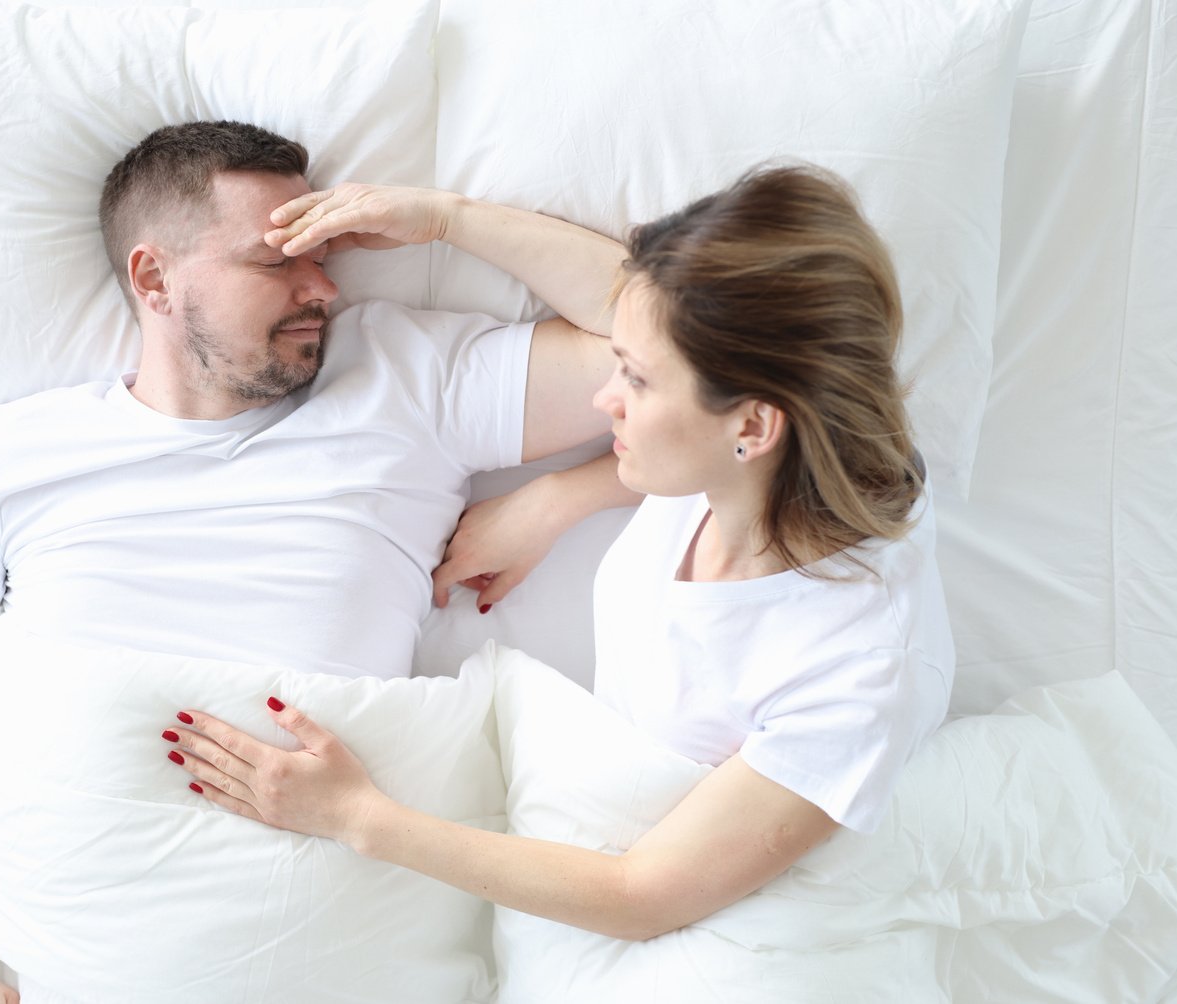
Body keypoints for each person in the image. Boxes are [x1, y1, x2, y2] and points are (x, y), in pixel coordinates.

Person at [0, 120, 623, 1002]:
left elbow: (685, 347)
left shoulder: (406, 377)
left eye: (324, 257)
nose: (321, 288)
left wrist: (450, 223)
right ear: (153, 277)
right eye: (274, 263)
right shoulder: (23, 453)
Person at [164, 163, 955, 940]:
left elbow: (641, 895)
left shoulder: (855, 669)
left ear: (751, 427)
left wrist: (354, 816)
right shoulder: (772, 454)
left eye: (636, 382)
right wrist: (445, 219)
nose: (605, 396)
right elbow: (648, 309)